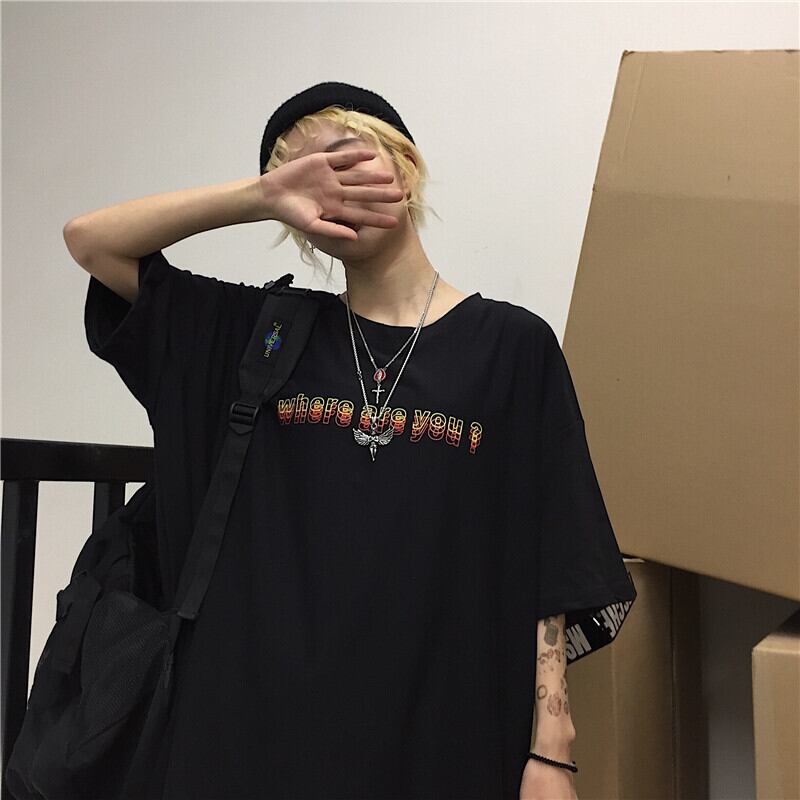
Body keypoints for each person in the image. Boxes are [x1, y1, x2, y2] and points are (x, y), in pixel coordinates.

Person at [66, 81, 637, 800]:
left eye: (344, 160)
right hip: (250, 747)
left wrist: (552, 749)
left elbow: (551, 550)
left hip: (443, 744)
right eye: (302, 180)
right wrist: (260, 195)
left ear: (407, 166)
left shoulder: (511, 347)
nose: (328, 189)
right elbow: (92, 242)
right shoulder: (260, 337)